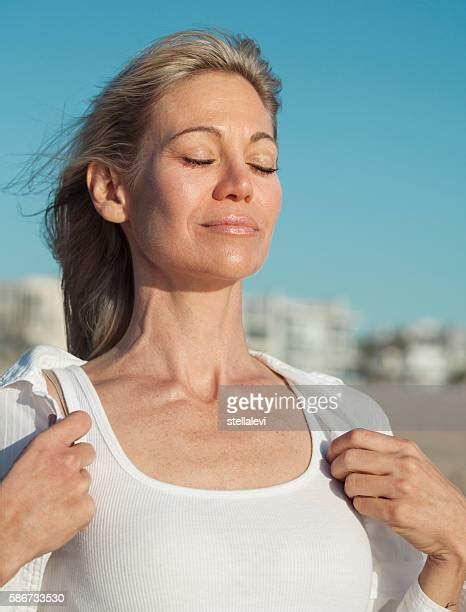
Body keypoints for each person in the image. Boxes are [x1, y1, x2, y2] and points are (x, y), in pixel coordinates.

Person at [0, 27, 465, 612]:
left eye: (263, 162)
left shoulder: (343, 420)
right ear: (112, 188)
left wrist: (455, 555)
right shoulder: (37, 415)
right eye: (198, 156)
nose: (241, 185)